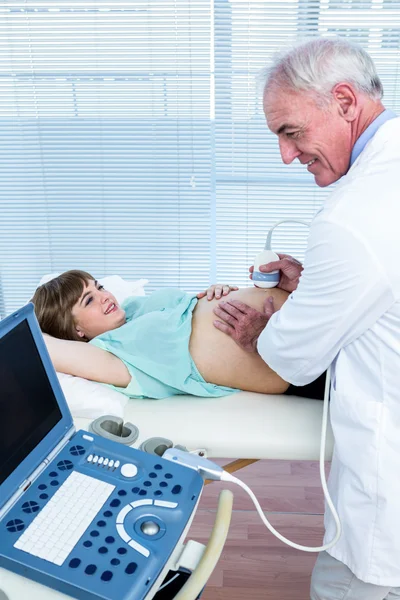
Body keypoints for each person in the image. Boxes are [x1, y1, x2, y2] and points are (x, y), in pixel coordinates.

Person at [213, 37, 400, 599]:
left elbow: (291, 357)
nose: (287, 156)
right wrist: (317, 289)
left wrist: (260, 327)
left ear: (344, 102)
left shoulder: (353, 218)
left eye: (291, 132)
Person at [31, 269, 297, 399]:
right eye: (89, 300)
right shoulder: (112, 357)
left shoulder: (133, 309)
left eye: (99, 287)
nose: (104, 296)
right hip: (302, 363)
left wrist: (219, 293)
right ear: (75, 329)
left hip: (308, 315)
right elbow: (38, 342)